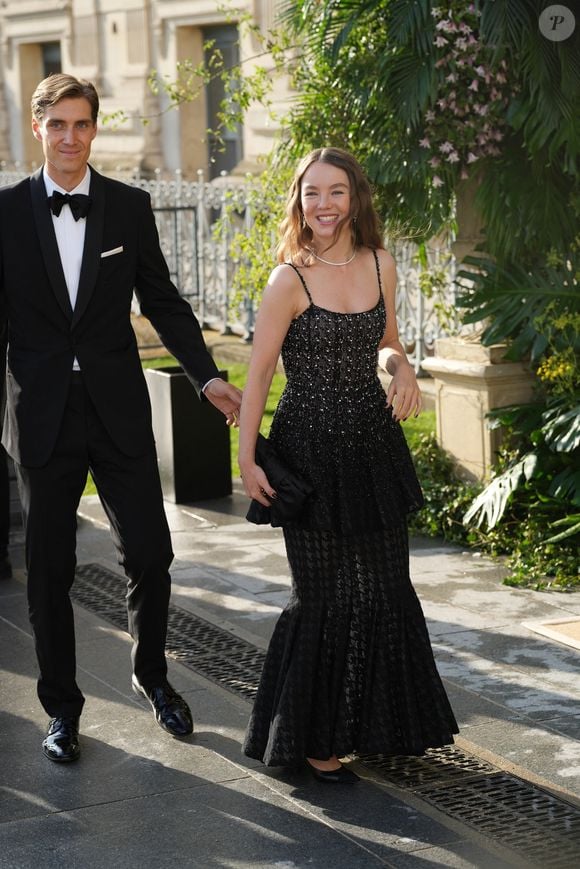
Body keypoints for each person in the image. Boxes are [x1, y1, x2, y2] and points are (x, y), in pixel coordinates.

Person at [0, 74, 242, 763]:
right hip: (40, 411)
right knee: (49, 566)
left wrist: (208, 376)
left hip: (116, 408)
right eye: (58, 125)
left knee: (152, 552)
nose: (70, 137)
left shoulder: (128, 206)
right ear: (38, 129)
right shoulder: (7, 212)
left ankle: (152, 674)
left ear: (94, 129)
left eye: (82, 124)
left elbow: (162, 301)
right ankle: (62, 709)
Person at [239, 147, 458, 783]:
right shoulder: (289, 279)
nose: (325, 205)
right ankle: (312, 739)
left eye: (337, 192)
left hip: (372, 454)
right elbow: (257, 377)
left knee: (385, 591)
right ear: (298, 200)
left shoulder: (381, 264)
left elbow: (386, 344)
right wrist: (248, 460)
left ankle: (373, 725)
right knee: (323, 600)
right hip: (305, 458)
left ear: (355, 198)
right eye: (313, 193)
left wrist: (403, 368)